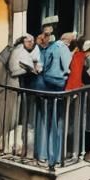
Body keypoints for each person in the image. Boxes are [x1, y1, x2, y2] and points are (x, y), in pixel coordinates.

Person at [34, 28, 72, 166]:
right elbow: (68, 67)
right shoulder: (62, 48)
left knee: (44, 119)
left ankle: (42, 154)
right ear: (68, 41)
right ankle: (55, 155)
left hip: (46, 85)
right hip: (58, 85)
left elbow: (41, 67)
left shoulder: (49, 48)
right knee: (57, 122)